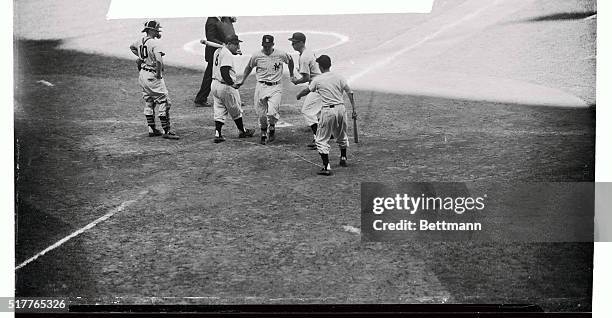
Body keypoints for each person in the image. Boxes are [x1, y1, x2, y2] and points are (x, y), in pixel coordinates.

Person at [296, 55, 356, 176]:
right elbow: (350, 92)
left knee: (321, 139)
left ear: (320, 66)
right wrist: (354, 109)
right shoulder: (339, 77)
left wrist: (299, 95)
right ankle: (343, 157)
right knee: (341, 134)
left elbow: (307, 90)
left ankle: (326, 166)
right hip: (341, 109)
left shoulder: (318, 80)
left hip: (328, 111)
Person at [238, 35, 294, 145]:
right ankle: (263, 132)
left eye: (269, 46)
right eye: (265, 46)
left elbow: (290, 60)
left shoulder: (280, 54)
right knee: (261, 114)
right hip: (261, 86)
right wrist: (243, 79)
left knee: (272, 112)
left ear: (273, 44)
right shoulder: (257, 55)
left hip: (276, 86)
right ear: (262, 45)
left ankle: (272, 126)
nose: (267, 48)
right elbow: (249, 67)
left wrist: (291, 74)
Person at [129, 20, 179, 140]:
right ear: (152, 30)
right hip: (152, 75)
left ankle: (151, 129)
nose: (158, 32)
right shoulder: (155, 44)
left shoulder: (140, 40)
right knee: (164, 101)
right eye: (156, 30)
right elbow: (159, 60)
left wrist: (141, 58)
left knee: (149, 100)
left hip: (142, 74)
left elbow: (132, 47)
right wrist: (158, 73)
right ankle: (166, 130)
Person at [211, 34, 255, 143]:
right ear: (229, 44)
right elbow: (224, 71)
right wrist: (232, 84)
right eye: (235, 44)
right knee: (235, 109)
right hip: (225, 86)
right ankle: (242, 131)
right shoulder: (226, 54)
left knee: (219, 109)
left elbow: (224, 62)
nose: (238, 46)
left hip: (214, 85)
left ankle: (218, 133)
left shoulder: (218, 51)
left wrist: (233, 53)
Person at [289, 32, 322, 149]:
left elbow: (306, 78)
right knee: (319, 111)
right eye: (292, 42)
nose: (292, 44)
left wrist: (296, 81)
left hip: (317, 85)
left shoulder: (304, 57)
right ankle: (328, 133)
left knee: (307, 111)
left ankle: (319, 138)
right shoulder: (308, 52)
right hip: (321, 83)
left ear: (302, 42)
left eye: (295, 42)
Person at [194, 17, 236, 107]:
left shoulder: (220, 18)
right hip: (214, 53)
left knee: (211, 76)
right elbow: (210, 38)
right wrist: (224, 45)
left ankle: (201, 98)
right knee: (212, 76)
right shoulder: (211, 21)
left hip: (219, 53)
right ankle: (201, 99)